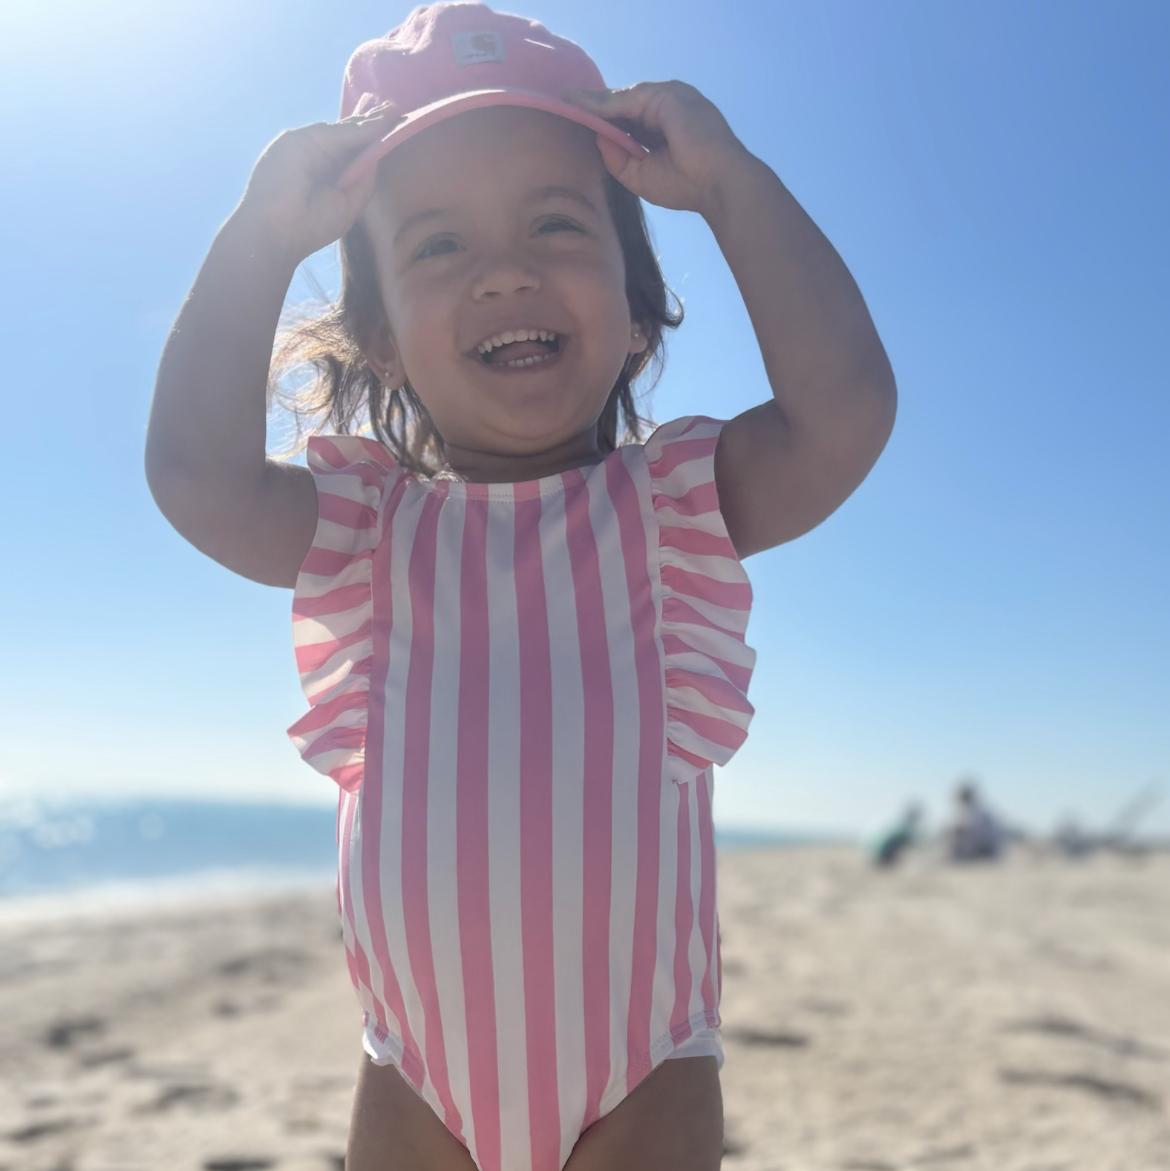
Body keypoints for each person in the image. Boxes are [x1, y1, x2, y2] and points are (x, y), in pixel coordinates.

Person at [145, 5, 897, 1170]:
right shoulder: (368, 533)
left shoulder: (671, 510)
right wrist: (261, 234)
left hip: (639, 1077)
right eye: (439, 245)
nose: (506, 271)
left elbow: (843, 412)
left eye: (555, 223)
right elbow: (195, 476)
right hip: (416, 1083)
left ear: (638, 307)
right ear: (381, 337)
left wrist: (731, 182)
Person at [946, 780, 1004, 862]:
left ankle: (958, 857)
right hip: (986, 847)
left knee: (959, 834)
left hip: (987, 848)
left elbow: (973, 831)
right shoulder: (973, 809)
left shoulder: (975, 809)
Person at [872, 801, 924, 868]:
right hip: (884, 859)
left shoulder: (899, 827)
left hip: (879, 857)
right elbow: (913, 845)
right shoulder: (904, 830)